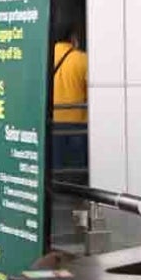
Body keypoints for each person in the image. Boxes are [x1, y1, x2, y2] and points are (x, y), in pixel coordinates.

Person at [50, 22, 89, 176]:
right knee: (77, 170)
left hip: (52, 123)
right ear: (73, 38)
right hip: (77, 124)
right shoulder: (82, 59)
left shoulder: (44, 57)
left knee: (57, 168)